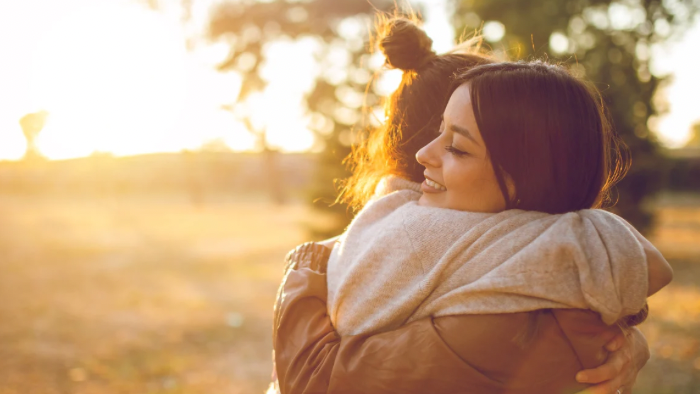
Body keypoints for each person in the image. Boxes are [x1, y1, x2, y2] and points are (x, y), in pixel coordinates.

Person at [271, 16, 656, 394]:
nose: (426, 155)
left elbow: (314, 382)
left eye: (457, 145)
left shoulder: (523, 316)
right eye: (440, 132)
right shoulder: (533, 267)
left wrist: (309, 265)